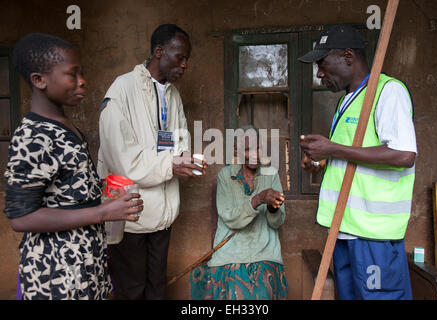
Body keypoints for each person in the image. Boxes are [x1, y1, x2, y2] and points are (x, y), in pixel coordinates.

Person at [3, 33, 143, 300]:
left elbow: (66, 192)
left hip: (85, 267)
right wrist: (102, 212)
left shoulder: (65, 127)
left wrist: (104, 193)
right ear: (39, 80)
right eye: (72, 74)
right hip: (55, 275)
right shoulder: (34, 135)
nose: (82, 81)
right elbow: (21, 217)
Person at [299, 25, 417, 300]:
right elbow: (353, 159)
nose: (319, 73)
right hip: (346, 231)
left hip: (373, 237)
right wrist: (324, 164)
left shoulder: (388, 92)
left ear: (348, 56)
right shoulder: (348, 102)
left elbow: (403, 155)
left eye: (322, 63)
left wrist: (333, 148)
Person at [97, 24, 206, 300]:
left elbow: (181, 141)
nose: (185, 65)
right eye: (180, 57)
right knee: (131, 289)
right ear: (159, 52)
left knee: (156, 288)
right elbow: (124, 161)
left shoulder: (172, 94)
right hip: (130, 214)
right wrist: (171, 164)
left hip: (163, 215)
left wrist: (184, 161)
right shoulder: (122, 91)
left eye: (187, 59)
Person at [190, 126, 288, 300]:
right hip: (230, 253)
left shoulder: (270, 174)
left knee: (262, 291)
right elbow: (230, 218)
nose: (255, 154)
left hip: (264, 251)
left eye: (258, 148)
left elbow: (277, 222)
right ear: (237, 151)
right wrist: (258, 199)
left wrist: (273, 208)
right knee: (233, 293)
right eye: (248, 149)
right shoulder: (225, 176)